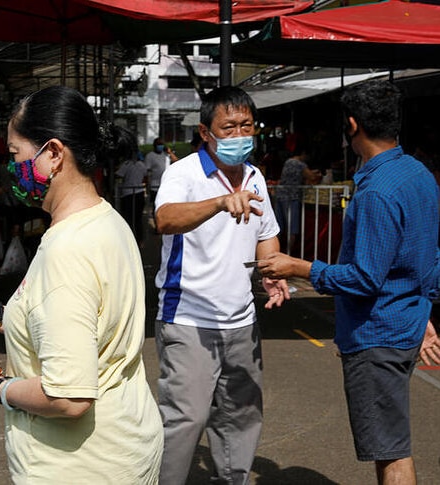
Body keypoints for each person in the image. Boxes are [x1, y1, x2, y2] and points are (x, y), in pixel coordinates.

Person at [0, 85, 163, 483]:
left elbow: (68, 396)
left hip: (78, 467)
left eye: (16, 154)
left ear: (53, 154)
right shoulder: (106, 219)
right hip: (125, 445)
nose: (12, 166)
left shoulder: (66, 251)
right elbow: (86, 323)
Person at [258, 80, 440, 484]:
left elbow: (363, 278)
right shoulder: (419, 174)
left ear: (352, 125)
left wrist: (298, 267)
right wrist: (424, 309)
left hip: (380, 334)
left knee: (390, 449)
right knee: (389, 443)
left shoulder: (378, 191)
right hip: (404, 324)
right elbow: (429, 256)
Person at [153, 86, 290, 485]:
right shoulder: (184, 173)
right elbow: (165, 219)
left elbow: (268, 233)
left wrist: (272, 272)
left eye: (246, 126)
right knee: (186, 417)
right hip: (189, 317)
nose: (239, 135)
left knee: (241, 413)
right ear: (205, 132)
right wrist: (217, 203)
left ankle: (233, 479)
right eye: (228, 127)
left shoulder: (254, 176)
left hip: (241, 319)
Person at [274, 138, 321, 252]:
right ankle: (289, 253)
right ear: (304, 153)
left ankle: (275, 252)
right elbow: (311, 177)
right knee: (292, 228)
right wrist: (318, 173)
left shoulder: (288, 161)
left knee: (278, 227)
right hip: (291, 197)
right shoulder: (300, 164)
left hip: (280, 195)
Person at [114, 126, 148, 246]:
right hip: (139, 193)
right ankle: (140, 241)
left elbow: (118, 175)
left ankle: (129, 241)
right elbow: (145, 177)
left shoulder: (126, 164)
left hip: (128, 194)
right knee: (137, 219)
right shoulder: (141, 165)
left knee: (128, 219)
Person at [145, 137, 178, 204]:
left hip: (166, 184)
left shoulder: (166, 154)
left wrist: (170, 152)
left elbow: (176, 161)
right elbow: (147, 171)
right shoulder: (150, 156)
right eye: (159, 145)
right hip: (155, 185)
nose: (160, 146)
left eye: (162, 145)